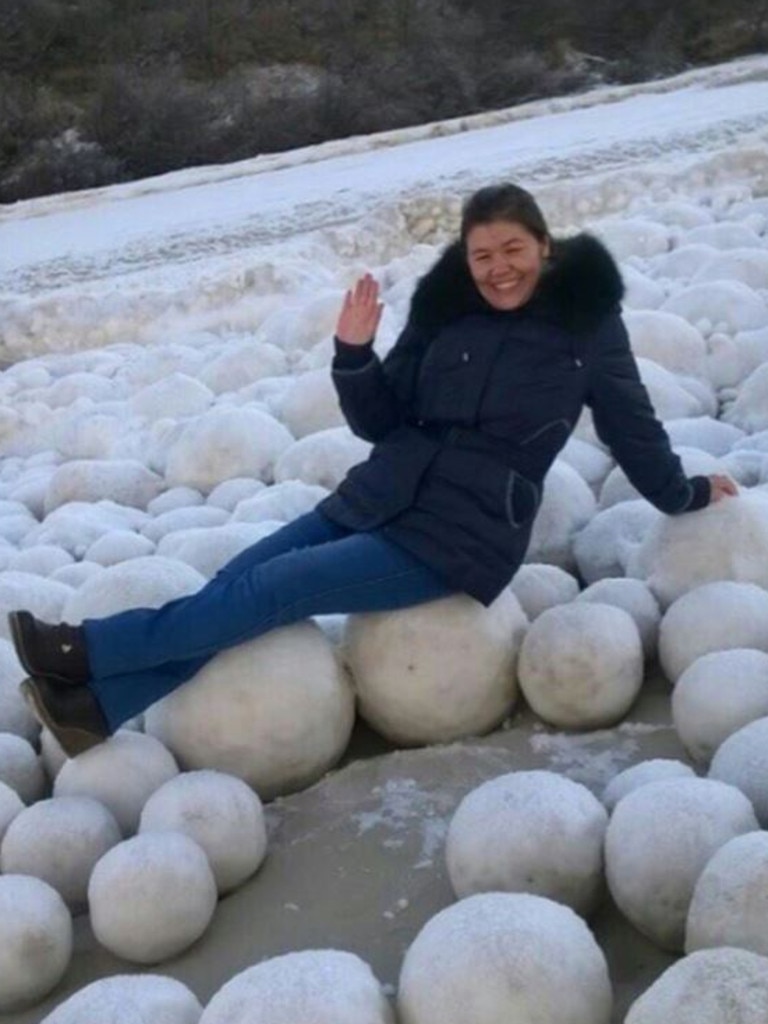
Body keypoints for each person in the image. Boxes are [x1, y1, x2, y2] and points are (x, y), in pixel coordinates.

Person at [10, 182, 737, 758]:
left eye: (513, 249)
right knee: (237, 580)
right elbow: (381, 419)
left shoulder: (588, 327)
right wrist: (353, 354)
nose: (498, 268)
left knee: (270, 588)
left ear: (544, 246)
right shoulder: (446, 309)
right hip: (379, 493)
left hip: (458, 535)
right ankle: (94, 710)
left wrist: (686, 491)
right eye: (483, 256)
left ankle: (86, 649)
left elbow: (632, 427)